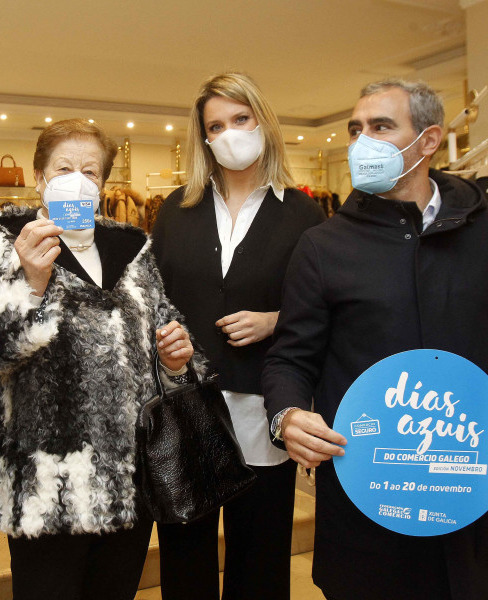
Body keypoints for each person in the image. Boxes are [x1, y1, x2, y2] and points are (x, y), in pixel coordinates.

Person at [262, 78, 488, 600]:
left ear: (428, 141)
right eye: (355, 129)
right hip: (365, 499)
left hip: (468, 491)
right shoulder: (323, 246)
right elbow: (289, 358)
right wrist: (288, 415)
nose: (362, 142)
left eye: (381, 127)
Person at [0, 118, 199, 600]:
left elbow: (163, 324)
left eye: (89, 171)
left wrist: (177, 357)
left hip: (128, 474)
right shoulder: (5, 239)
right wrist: (31, 281)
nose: (77, 179)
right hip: (46, 476)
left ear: (103, 185)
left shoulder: (132, 246)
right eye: (63, 168)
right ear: (40, 179)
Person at [150, 72, 325, 600]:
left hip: (261, 403)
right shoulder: (178, 208)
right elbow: (152, 295)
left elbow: (324, 307)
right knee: (185, 551)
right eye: (216, 125)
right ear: (203, 137)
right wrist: (164, 341)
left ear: (263, 122)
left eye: (240, 119)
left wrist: (275, 319)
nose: (229, 133)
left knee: (262, 551)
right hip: (187, 404)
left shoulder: (302, 214)